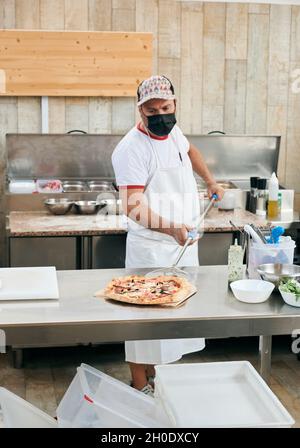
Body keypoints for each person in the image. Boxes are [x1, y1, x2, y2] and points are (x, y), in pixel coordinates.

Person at [112, 75, 224, 397]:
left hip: (183, 245)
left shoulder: (173, 132)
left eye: (166, 107)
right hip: (152, 249)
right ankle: (139, 386)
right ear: (140, 111)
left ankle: (155, 379)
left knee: (167, 326)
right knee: (142, 323)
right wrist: (173, 228)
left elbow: (192, 152)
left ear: (174, 104)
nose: (161, 115)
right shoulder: (131, 149)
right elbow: (132, 207)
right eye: (152, 111)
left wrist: (210, 180)